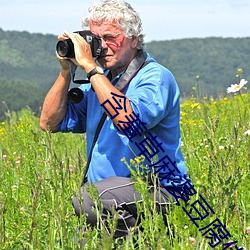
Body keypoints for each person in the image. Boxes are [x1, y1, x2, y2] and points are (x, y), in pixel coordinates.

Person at [40, 0, 191, 245]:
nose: (102, 47)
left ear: (133, 38)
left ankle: (146, 240)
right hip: (112, 199)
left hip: (160, 190)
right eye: (95, 39)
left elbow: (129, 121)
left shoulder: (154, 77)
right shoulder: (99, 83)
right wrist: (66, 70)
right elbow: (49, 122)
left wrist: (90, 67)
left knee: (88, 199)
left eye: (110, 37)